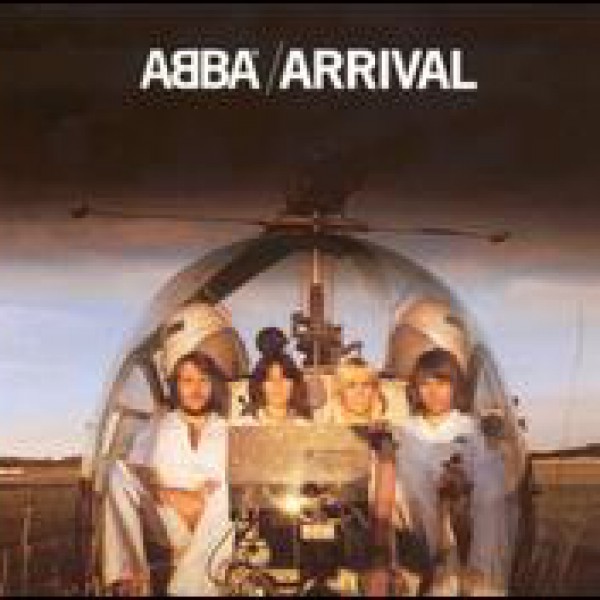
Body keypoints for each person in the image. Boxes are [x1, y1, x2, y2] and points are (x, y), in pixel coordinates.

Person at [375, 348, 510, 596]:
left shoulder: (473, 431)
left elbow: (491, 498)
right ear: (415, 389)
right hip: (415, 547)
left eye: (442, 383)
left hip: (468, 544)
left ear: (456, 386)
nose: (433, 392)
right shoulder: (402, 433)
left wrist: (463, 489)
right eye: (425, 384)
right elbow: (388, 492)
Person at [102, 351, 233, 596]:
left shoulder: (227, 429)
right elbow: (136, 470)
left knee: (226, 495)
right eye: (188, 380)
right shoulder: (158, 425)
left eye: (203, 380)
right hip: (167, 519)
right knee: (116, 472)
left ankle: (188, 587)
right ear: (176, 386)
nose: (196, 389)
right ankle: (131, 579)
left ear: (213, 385)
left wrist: (202, 501)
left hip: (215, 525)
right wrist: (169, 495)